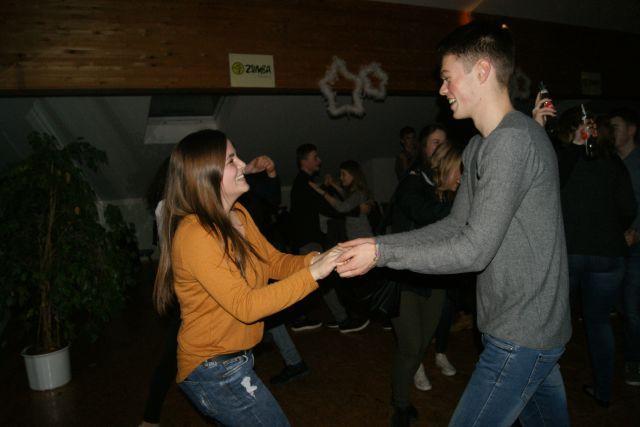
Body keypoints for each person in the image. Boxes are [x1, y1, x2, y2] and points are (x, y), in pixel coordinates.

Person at [337, 20, 572, 426]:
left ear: (482, 71)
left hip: (521, 333)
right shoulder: (481, 145)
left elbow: (473, 250)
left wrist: (381, 253)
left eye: (448, 78)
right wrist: (378, 245)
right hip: (523, 328)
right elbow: (455, 225)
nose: (442, 90)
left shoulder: (513, 141)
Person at [153, 129, 342, 426]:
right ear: (206, 175)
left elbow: (273, 262)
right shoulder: (195, 234)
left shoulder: (238, 214)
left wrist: (317, 260)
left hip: (234, 360)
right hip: (212, 370)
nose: (243, 164)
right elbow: (247, 306)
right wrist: (313, 274)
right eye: (231, 160)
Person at [556, 110, 636, 407]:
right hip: (607, 254)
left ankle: (544, 388)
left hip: (571, 250)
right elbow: (629, 207)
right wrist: (614, 228)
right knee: (599, 323)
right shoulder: (613, 163)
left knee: (555, 321)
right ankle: (603, 391)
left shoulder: (564, 160)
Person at [386, 140, 463, 426]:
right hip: (404, 280)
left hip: (435, 281)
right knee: (410, 347)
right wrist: (464, 205)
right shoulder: (412, 185)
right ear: (446, 167)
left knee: (420, 347)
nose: (462, 178)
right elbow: (426, 215)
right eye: (460, 171)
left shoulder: (448, 194)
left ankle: (401, 392)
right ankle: (400, 404)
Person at [289, 144, 370, 333]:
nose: (319, 160)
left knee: (318, 279)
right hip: (308, 239)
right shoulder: (304, 183)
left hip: (308, 238)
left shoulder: (305, 182)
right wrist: (357, 210)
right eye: (315, 157)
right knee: (322, 279)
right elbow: (328, 207)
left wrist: (327, 187)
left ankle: (305, 318)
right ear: (304, 161)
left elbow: (321, 203)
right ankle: (341, 320)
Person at [610, 107, 640, 387]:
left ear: (631, 131)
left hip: (635, 247)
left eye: (616, 127)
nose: (611, 132)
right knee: (618, 302)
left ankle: (634, 362)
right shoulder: (608, 161)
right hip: (613, 246)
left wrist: (637, 233)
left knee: (631, 305)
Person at [309, 160, 373, 240]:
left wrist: (322, 192)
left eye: (343, 174)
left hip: (362, 238)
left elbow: (342, 207)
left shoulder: (358, 193)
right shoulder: (355, 193)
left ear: (353, 175)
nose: (341, 178)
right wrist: (332, 184)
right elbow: (346, 196)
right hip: (358, 238)